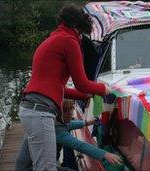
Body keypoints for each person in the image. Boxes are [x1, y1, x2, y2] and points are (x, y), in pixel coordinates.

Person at [15, 4, 111, 171]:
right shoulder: (69, 40)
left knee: (31, 165)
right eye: (81, 33)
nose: (81, 38)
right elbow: (82, 83)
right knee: (47, 167)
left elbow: (58, 88)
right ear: (76, 27)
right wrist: (104, 89)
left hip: (30, 108)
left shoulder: (52, 40)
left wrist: (86, 97)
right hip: (41, 111)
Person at [56, 99, 122, 166]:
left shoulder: (56, 121)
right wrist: (105, 154)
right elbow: (79, 145)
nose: (72, 115)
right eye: (71, 113)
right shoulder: (57, 129)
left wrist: (87, 122)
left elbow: (70, 124)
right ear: (63, 114)